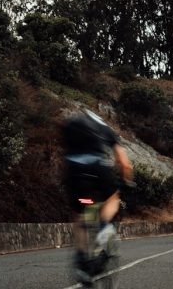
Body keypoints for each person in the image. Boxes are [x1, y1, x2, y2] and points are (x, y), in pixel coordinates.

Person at [62, 109, 133, 281]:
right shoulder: (105, 129)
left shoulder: (72, 125)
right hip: (97, 167)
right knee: (113, 198)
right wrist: (127, 182)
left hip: (73, 170)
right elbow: (124, 162)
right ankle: (104, 228)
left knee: (78, 214)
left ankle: (81, 259)